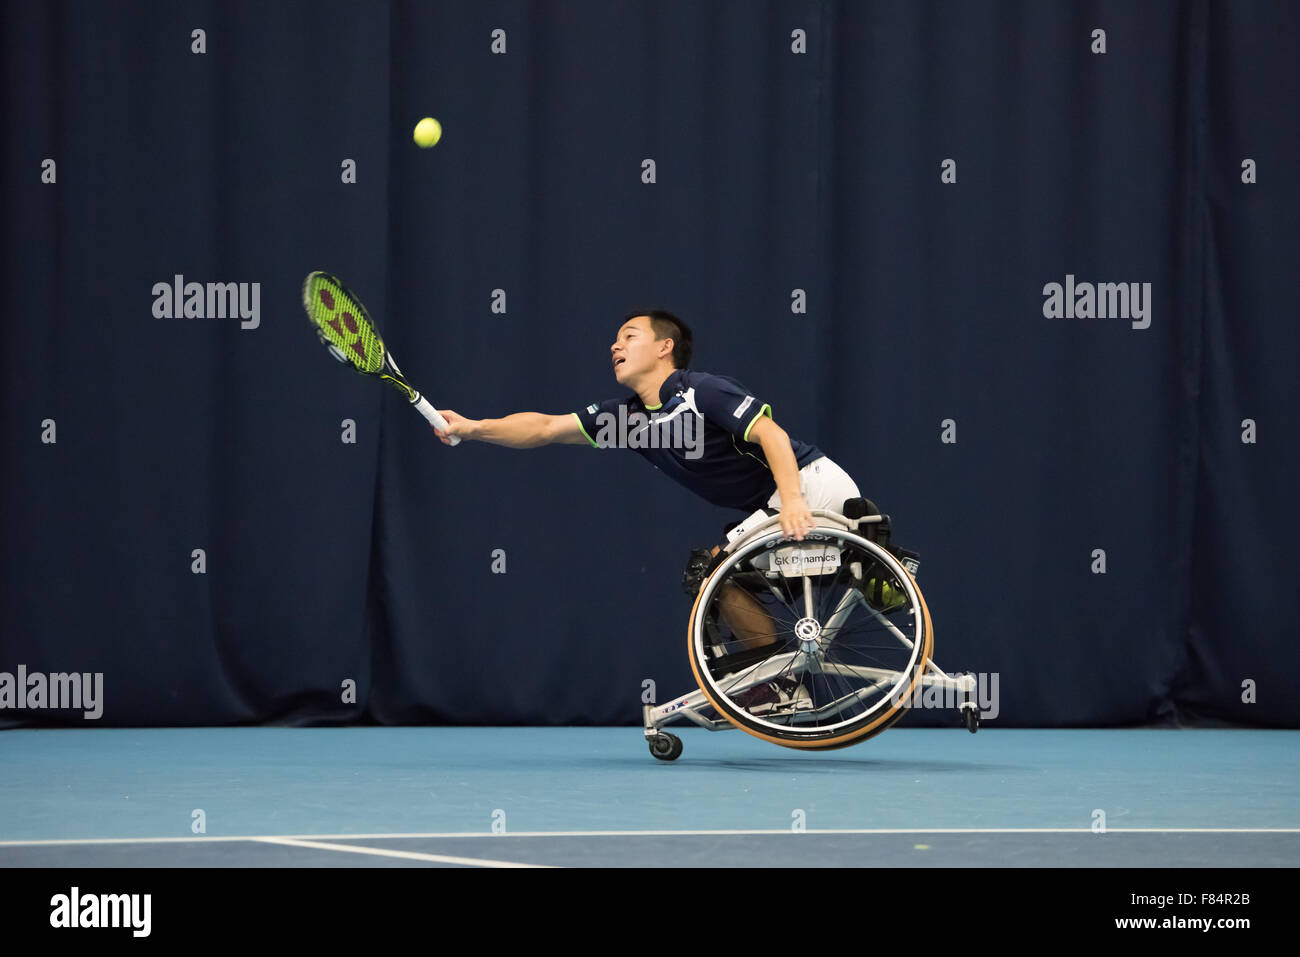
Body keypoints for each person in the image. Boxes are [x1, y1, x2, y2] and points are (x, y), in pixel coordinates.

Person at [430, 309, 863, 544]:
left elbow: (772, 434)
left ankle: (873, 584)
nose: (615, 345)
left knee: (715, 570)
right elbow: (543, 428)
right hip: (778, 502)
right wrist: (472, 428)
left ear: (664, 348)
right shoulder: (627, 420)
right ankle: (782, 682)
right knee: (714, 577)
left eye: (630, 335)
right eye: (616, 340)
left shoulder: (703, 391)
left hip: (810, 486)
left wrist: (791, 500)